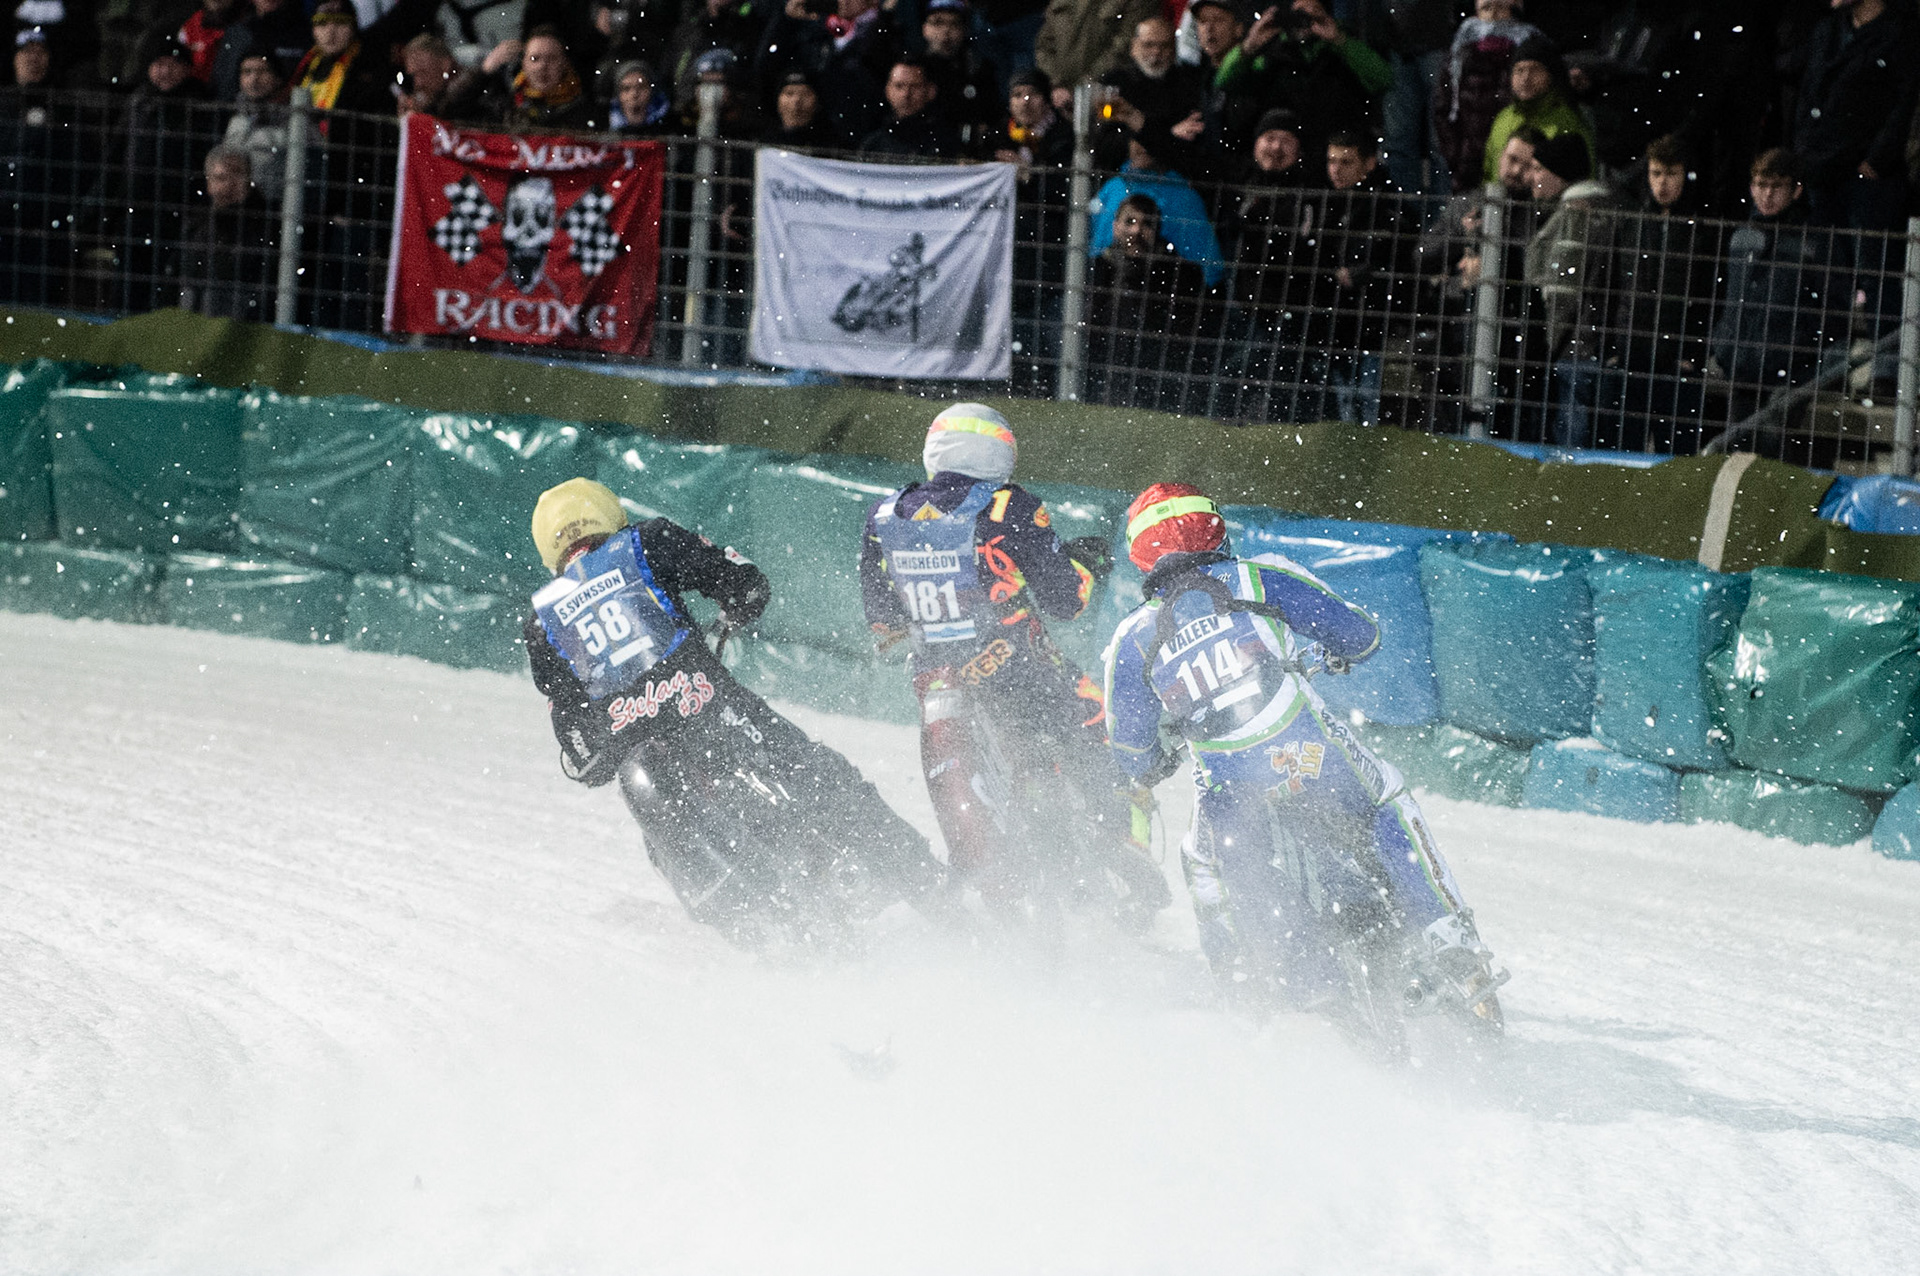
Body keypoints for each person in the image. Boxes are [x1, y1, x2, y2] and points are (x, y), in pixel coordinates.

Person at [1103, 482, 1503, 1024]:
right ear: (1215, 529)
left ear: (1140, 554)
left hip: (1230, 791)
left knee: (1202, 861)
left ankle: (1243, 984)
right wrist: (1339, 652)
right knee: (1386, 795)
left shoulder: (1131, 638)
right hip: (1314, 758)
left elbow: (1130, 750)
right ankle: (1450, 939)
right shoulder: (1258, 574)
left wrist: (1157, 760)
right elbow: (1359, 635)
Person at [524, 478, 951, 935]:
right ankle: (929, 883)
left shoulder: (540, 620)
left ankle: (759, 931)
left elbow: (579, 749)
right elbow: (742, 580)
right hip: (715, 714)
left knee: (664, 849)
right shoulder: (646, 542)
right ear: (609, 515)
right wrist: (736, 605)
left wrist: (610, 738)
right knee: (822, 776)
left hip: (650, 763)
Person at [858, 405, 1167, 922]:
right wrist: (1084, 564)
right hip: (1016, 666)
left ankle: (979, 857)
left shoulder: (885, 516)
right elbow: (1066, 601)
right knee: (1098, 718)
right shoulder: (1010, 507)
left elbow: (885, 623)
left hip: (934, 680)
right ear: (999, 452)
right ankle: (1119, 836)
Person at [1604, 133, 1720, 452]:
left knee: (1676, 455)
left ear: (1685, 174)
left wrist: (1693, 354)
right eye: (1656, 173)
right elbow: (1610, 285)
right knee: (1625, 449)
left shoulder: (1702, 227)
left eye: (1671, 174)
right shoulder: (1632, 222)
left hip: (1677, 358)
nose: (1662, 183)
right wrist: (1613, 347)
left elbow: (1710, 296)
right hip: (1632, 352)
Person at [1708, 148, 1835, 426]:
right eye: (1761, 185)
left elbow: (1832, 307)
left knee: (1772, 448)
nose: (1767, 195)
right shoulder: (1741, 238)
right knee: (1738, 447)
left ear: (1796, 190)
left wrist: (1805, 358)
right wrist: (1725, 347)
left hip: (1789, 370)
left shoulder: (1813, 244)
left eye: (1776, 186)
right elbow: (1726, 297)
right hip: (1742, 367)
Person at [1211, 0, 1392, 171]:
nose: (1304, 21)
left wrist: (1339, 40)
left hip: (1330, 158)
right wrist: (1250, 44)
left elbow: (1384, 79)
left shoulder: (1343, 49)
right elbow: (1225, 81)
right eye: (1298, 13)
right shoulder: (1273, 52)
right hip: (1283, 158)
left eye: (1313, 14)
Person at [1520, 129, 1616, 449]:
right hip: (1592, 346)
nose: (1529, 177)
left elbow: (1563, 289)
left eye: (1537, 169)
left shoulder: (1576, 214)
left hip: (1575, 348)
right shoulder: (1606, 208)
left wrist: (1551, 341)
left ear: (1558, 174)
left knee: (1571, 447)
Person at [1085, 192, 1218, 412]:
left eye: (1146, 224)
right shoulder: (1098, 268)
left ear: (1156, 230)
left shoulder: (1180, 274)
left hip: (1161, 372)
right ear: (1115, 226)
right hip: (1109, 367)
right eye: (1130, 222)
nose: (1137, 231)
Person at [1431, 0, 1540, 196]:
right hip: (1467, 159)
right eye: (1487, 8)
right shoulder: (1461, 49)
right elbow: (1443, 104)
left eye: (1500, 7)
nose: (1494, 15)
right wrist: (1454, 153)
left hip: (1513, 158)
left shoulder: (1530, 48)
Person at [175, 144, 277, 320]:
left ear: (248, 180)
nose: (230, 185)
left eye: (237, 175)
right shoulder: (196, 224)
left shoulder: (266, 225)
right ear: (209, 183)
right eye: (222, 178)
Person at [1478, 34, 1591, 188]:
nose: (1525, 78)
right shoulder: (1504, 117)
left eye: (1535, 70)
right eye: (1519, 70)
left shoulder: (1568, 121)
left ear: (1551, 76)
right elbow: (1489, 170)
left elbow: (1584, 180)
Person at [1032, 0, 1157, 112]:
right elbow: (1044, 45)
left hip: (1112, 97)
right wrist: (1056, 83)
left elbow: (1124, 47)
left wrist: (1082, 88)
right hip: (1060, 100)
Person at [857, 56, 963, 159]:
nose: (906, 94)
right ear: (888, 90)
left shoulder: (945, 143)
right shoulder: (873, 144)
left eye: (915, 86)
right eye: (899, 86)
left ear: (931, 91)